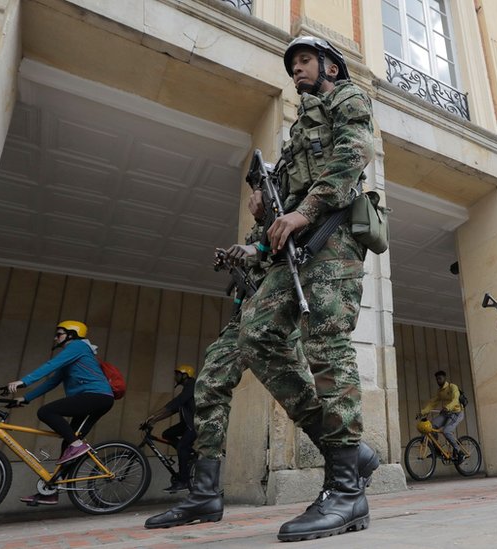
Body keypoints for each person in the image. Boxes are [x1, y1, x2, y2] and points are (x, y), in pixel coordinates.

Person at [151, 35, 377, 542]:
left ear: (330, 68)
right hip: (296, 248)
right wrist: (259, 229)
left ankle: (346, 490)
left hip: (334, 236)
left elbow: (352, 157)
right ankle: (347, 457)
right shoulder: (298, 131)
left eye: (305, 60)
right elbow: (284, 203)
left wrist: (305, 211)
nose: (296, 69)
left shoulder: (348, 98)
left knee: (326, 344)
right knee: (254, 335)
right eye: (292, 63)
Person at [147, 193, 378, 528]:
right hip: (246, 312)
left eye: (259, 197)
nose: (254, 200)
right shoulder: (262, 224)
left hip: (275, 310)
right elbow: (259, 252)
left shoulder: (292, 210)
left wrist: (258, 249)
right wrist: (237, 255)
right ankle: (205, 493)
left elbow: (284, 256)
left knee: (303, 387)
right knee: (209, 383)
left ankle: (351, 458)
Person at [6, 320, 114, 505]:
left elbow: (51, 364)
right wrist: (26, 398)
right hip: (92, 397)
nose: (56, 338)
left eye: (59, 334)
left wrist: (23, 382)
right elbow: (52, 381)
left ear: (71, 334)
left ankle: (77, 444)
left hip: (97, 396)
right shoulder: (72, 357)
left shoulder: (78, 346)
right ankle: (52, 490)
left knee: (47, 412)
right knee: (68, 443)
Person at [143, 364, 198, 492]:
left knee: (181, 447)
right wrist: (153, 420)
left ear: (185, 375)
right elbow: (173, 410)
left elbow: (176, 402)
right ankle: (188, 454)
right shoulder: (187, 388)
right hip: (187, 424)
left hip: (194, 424)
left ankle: (184, 481)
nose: (175, 377)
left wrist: (154, 414)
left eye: (177, 374)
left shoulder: (192, 385)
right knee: (167, 434)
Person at [417, 370, 466, 460]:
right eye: (437, 379)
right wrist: (422, 412)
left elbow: (455, 399)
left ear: (444, 378)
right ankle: (437, 450)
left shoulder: (452, 387)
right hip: (446, 413)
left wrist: (448, 407)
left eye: (440, 378)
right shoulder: (440, 391)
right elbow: (432, 403)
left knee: (446, 431)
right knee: (430, 427)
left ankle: (460, 452)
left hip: (456, 413)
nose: (438, 381)